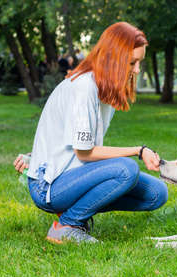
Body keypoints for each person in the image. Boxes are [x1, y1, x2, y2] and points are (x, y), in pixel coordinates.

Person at [13, 22, 167, 244]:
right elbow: (85, 153)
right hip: (48, 186)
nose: (137, 70)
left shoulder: (104, 88)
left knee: (156, 193)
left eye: (139, 62)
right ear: (113, 58)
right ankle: (68, 225)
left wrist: (34, 154)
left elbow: (66, 136)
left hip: (70, 174)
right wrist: (138, 150)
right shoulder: (84, 87)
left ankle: (74, 212)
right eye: (132, 62)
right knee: (126, 170)